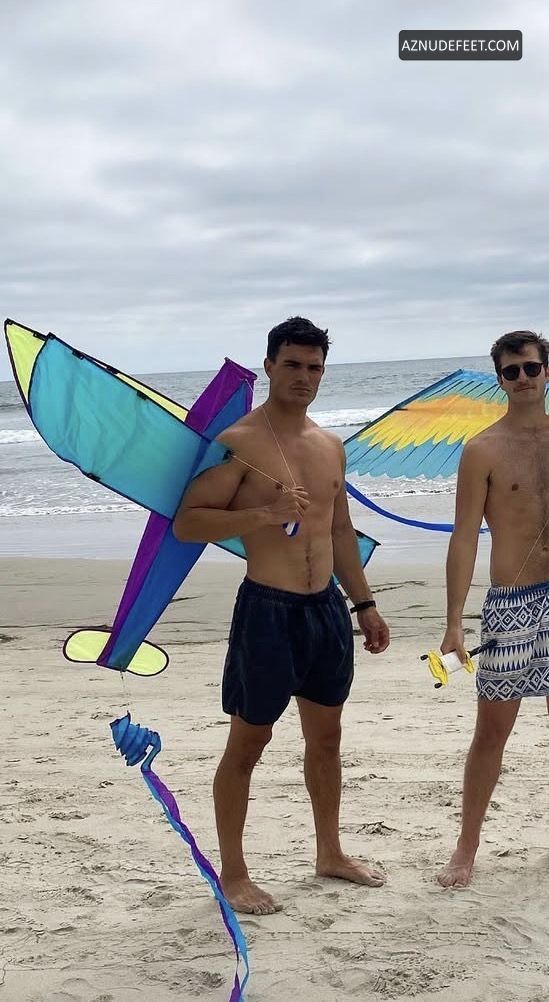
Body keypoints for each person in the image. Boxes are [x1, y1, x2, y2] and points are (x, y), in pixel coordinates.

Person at [174, 316, 390, 914]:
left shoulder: (329, 445)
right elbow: (188, 522)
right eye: (292, 364)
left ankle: (330, 853)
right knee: (250, 741)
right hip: (267, 611)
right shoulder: (240, 441)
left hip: (325, 609)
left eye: (314, 367)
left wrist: (365, 604)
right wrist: (264, 515)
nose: (303, 376)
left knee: (328, 737)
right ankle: (234, 873)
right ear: (269, 366)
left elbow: (339, 530)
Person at [437, 330, 549, 888]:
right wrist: (454, 623)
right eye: (511, 371)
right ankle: (466, 847)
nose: (522, 378)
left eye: (530, 368)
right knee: (491, 731)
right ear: (500, 379)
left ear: (546, 371)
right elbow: (464, 537)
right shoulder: (482, 449)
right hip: (513, 602)